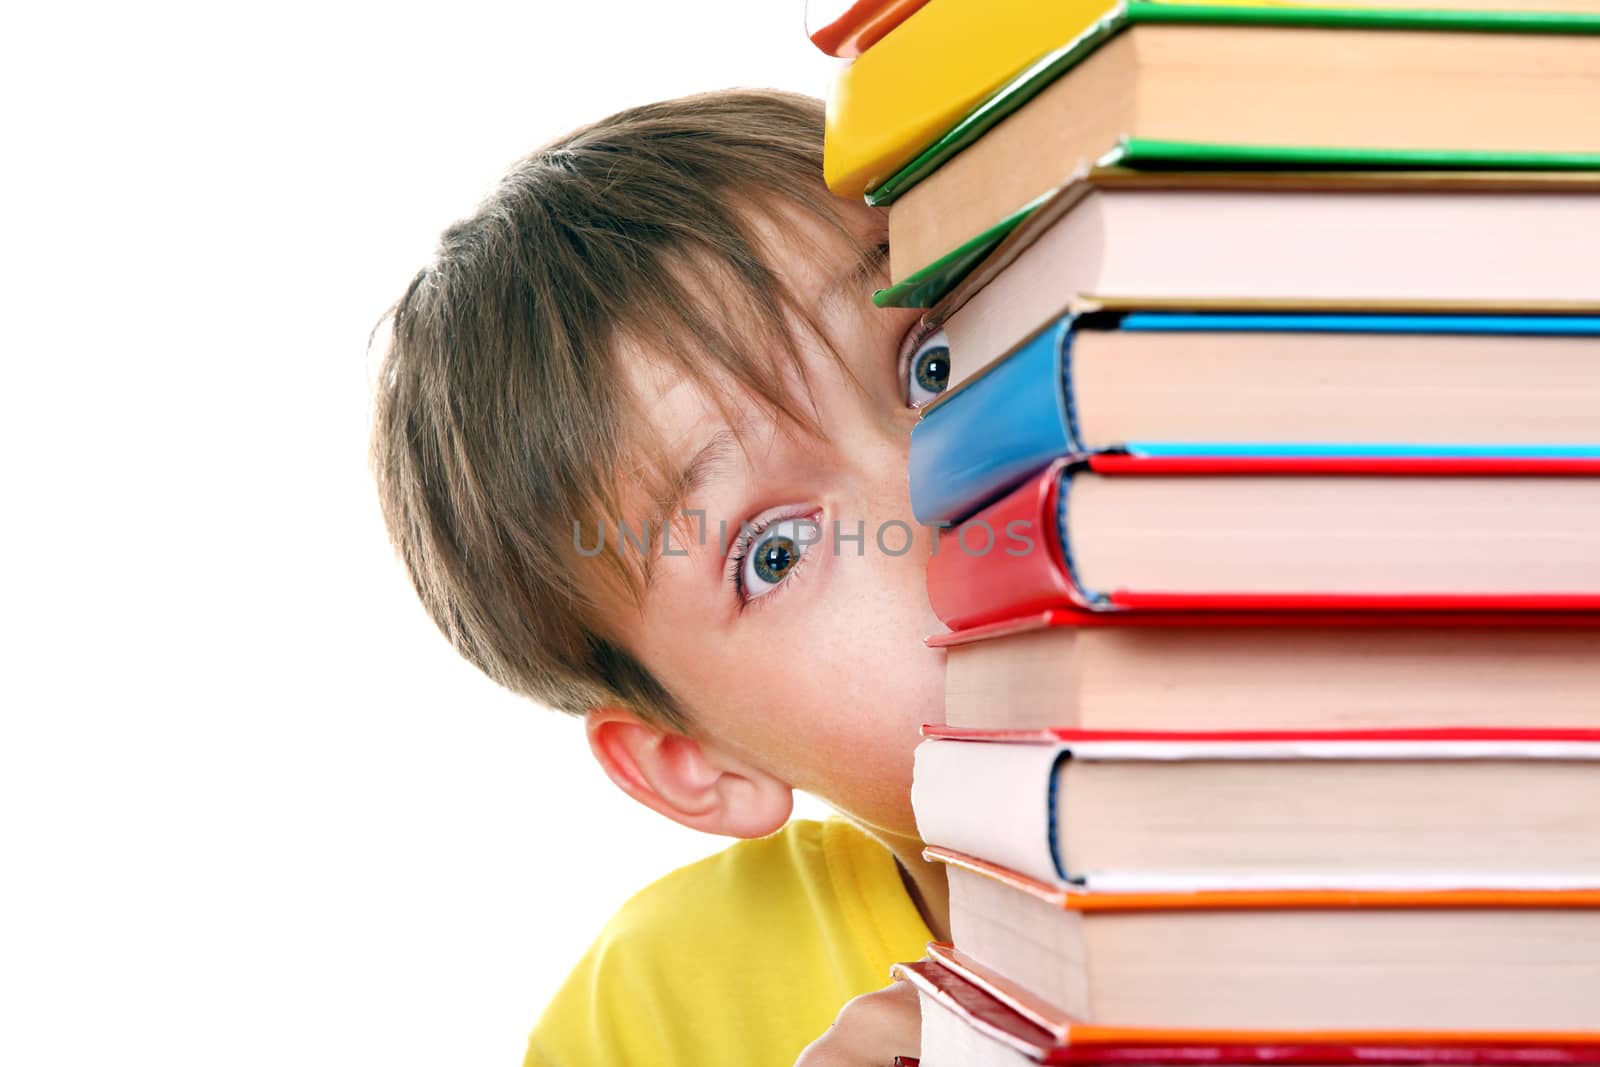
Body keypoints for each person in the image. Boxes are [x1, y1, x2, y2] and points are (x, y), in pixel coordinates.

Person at [370, 88, 957, 1065]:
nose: (938, 490)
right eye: (772, 552)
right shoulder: (646, 1015)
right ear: (697, 758)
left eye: (930, 364)